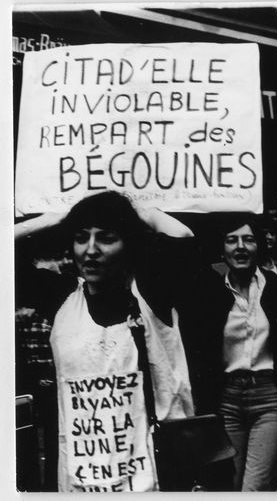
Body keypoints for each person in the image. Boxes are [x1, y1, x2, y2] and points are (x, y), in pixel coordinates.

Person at [15, 191, 196, 492]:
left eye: (107, 238)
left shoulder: (151, 291)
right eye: (81, 237)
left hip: (154, 476)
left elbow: (183, 236)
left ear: (129, 245)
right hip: (83, 480)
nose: (91, 249)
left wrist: (139, 210)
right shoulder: (60, 298)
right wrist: (54, 218)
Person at [202, 215, 277, 491]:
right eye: (232, 240)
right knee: (229, 486)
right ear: (222, 249)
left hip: (268, 399)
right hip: (227, 402)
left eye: (248, 239)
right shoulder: (211, 292)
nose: (240, 247)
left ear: (259, 247)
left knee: (256, 488)